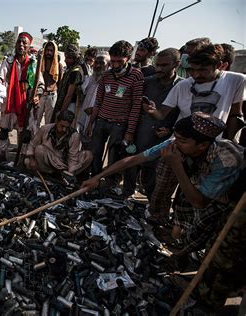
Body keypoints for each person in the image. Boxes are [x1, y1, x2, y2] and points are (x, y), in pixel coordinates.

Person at [82, 112, 244, 265]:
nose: (175, 143)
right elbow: (134, 160)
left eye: (182, 140)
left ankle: (188, 260)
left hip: (232, 198)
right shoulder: (178, 144)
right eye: (176, 138)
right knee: (184, 217)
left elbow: (200, 202)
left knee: (212, 234)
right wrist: (97, 177)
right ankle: (173, 237)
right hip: (200, 186)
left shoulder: (226, 160)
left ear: (202, 145)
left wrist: (177, 165)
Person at [146, 43, 245, 226]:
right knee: (162, 186)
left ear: (220, 66)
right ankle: (157, 220)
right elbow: (162, 114)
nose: (196, 75)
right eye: (192, 70)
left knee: (191, 195)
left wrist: (228, 145)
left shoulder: (236, 81)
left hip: (211, 150)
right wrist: (153, 112)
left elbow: (235, 115)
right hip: (179, 144)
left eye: (203, 70)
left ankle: (179, 227)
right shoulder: (183, 85)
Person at [123, 48, 183, 200]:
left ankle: (151, 200)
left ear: (177, 64)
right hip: (140, 131)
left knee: (153, 171)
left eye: (164, 65)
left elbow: (183, 113)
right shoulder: (147, 82)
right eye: (157, 65)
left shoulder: (182, 86)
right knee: (131, 163)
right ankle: (127, 193)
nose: (159, 69)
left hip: (162, 136)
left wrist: (170, 129)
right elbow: (134, 106)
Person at [87, 40, 144, 179]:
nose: (116, 65)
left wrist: (130, 131)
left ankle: (109, 183)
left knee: (114, 156)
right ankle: (94, 179)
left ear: (128, 58)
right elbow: (98, 101)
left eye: (119, 61)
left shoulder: (136, 75)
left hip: (119, 124)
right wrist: (91, 123)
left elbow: (136, 106)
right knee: (95, 153)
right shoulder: (106, 75)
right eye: (113, 61)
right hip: (101, 121)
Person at [0, 32, 37, 162]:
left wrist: (37, 96)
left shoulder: (33, 63)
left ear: (29, 46)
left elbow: (39, 83)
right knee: (3, 130)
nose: (20, 45)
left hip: (26, 101)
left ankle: (23, 156)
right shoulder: (8, 61)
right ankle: (3, 153)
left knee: (25, 133)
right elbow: (0, 78)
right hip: (9, 101)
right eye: (19, 42)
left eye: (24, 42)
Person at [25, 110, 92, 176]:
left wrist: (70, 173)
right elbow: (32, 145)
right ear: (57, 122)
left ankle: (62, 173)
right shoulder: (45, 129)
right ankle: (49, 172)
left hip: (63, 163)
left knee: (88, 155)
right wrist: (31, 159)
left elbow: (73, 157)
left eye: (67, 127)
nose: (64, 130)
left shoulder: (74, 135)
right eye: (62, 126)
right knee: (39, 150)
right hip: (48, 160)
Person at [79, 52, 110, 135]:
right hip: (84, 117)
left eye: (102, 63)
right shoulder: (90, 79)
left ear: (108, 66)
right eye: (96, 62)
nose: (98, 66)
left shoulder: (109, 83)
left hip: (98, 120)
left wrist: (95, 110)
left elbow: (111, 102)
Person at [52, 45, 83, 124]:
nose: (65, 60)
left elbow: (69, 95)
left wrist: (61, 113)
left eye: (69, 58)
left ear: (75, 58)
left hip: (69, 107)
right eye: (66, 57)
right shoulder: (71, 69)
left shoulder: (76, 71)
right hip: (63, 104)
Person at [33, 41, 61, 128]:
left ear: (54, 52)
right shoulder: (39, 63)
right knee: (36, 120)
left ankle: (46, 141)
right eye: (47, 50)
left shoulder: (58, 66)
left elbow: (59, 83)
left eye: (51, 50)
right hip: (40, 95)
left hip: (52, 96)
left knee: (49, 123)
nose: (49, 52)